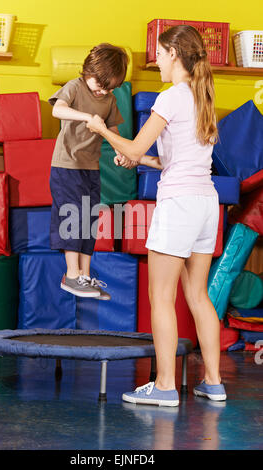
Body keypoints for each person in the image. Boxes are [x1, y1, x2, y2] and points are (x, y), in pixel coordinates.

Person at [87, 25, 227, 405]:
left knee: (161, 296)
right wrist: (137, 159)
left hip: (179, 204)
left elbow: (132, 146)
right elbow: (167, 159)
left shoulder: (170, 97)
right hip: (205, 204)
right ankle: (213, 381)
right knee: (197, 295)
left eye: (161, 55)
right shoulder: (202, 98)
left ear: (175, 54)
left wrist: (103, 130)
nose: (158, 62)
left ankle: (165, 387)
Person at [48, 43, 128, 299]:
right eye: (100, 85)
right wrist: (86, 118)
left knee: (89, 220)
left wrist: (120, 152)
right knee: (71, 218)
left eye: (110, 87)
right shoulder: (74, 87)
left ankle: (83, 275)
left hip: (90, 168)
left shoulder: (109, 99)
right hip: (66, 165)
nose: (103, 91)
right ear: (87, 71)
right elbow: (57, 109)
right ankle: (71, 275)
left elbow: (114, 131)